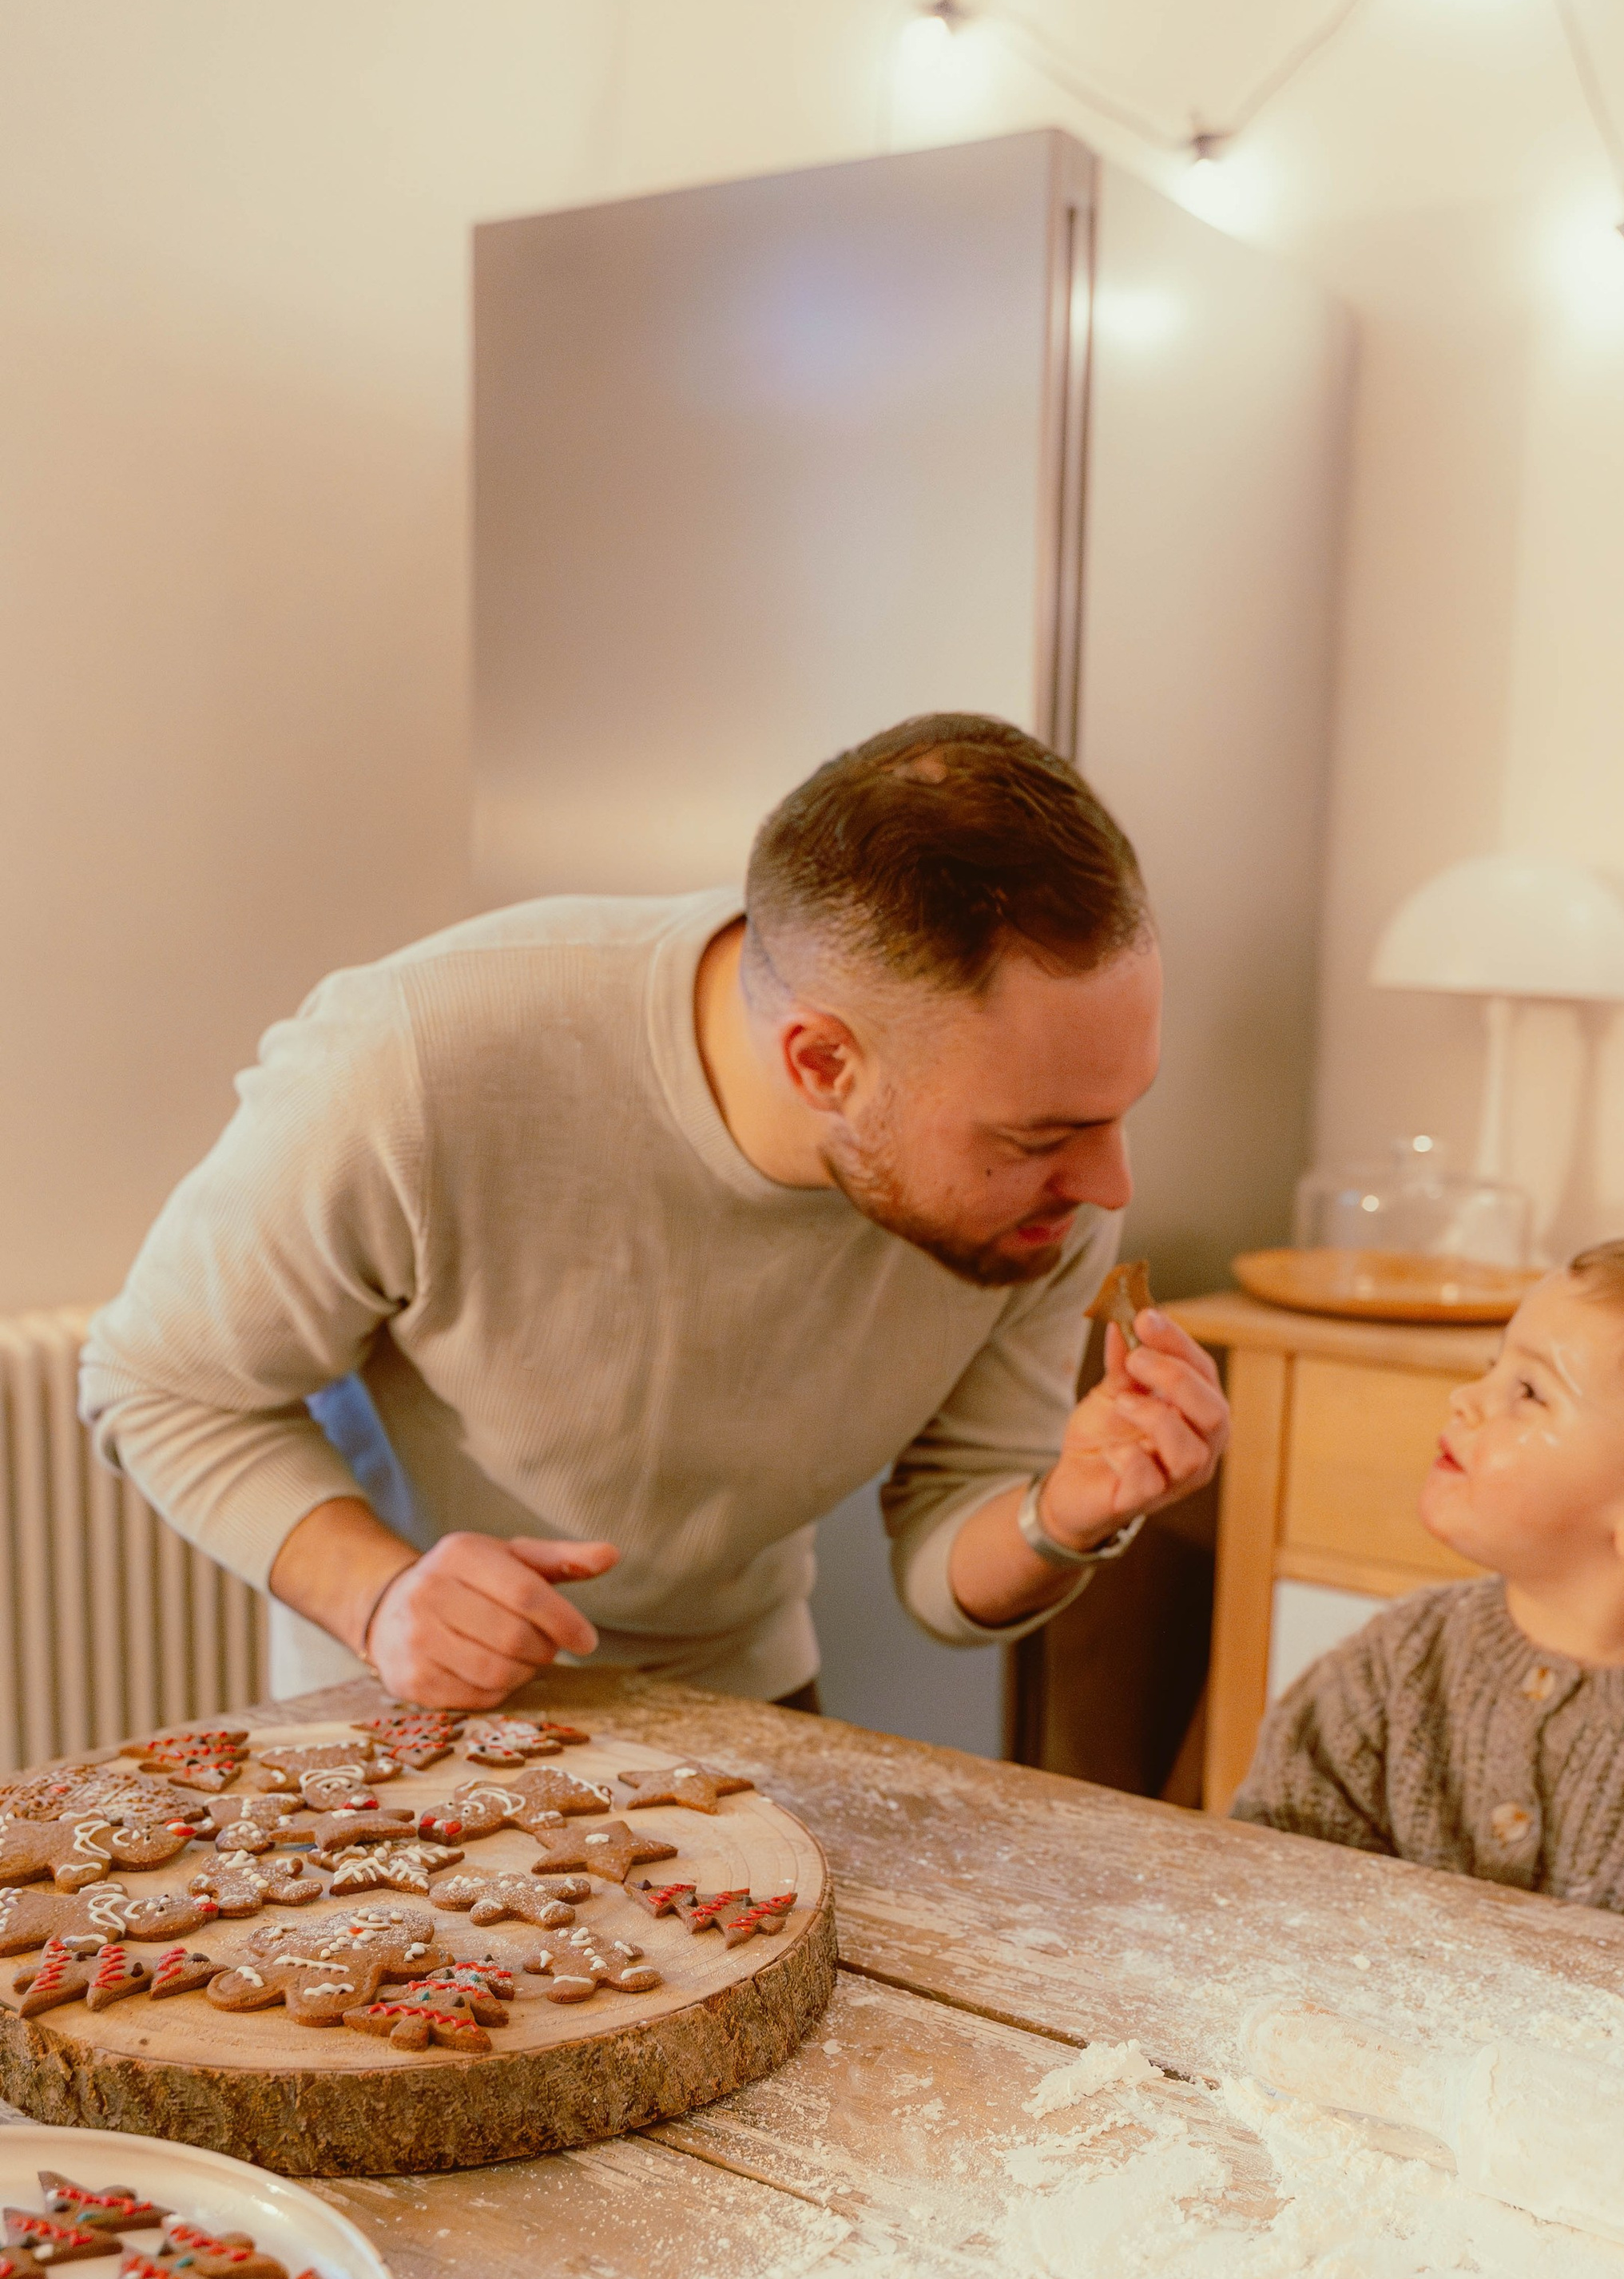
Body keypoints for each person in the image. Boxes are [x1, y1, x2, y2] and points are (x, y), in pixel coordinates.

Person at [81, 714, 1228, 1712]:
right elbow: (157, 1384)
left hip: (749, 1702)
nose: (1109, 1186)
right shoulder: (413, 1065)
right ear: (824, 1063)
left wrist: (1066, 1514)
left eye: (1123, 1111)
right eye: (1041, 1139)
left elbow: (946, 1564)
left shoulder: (1049, 1173)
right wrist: (380, 1597)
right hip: (411, 1703)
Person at [1233, 1237, 1624, 1969]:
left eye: (1529, 1392)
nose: (1466, 1399)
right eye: (1493, 1366)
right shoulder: (1397, 1662)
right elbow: (1273, 1883)